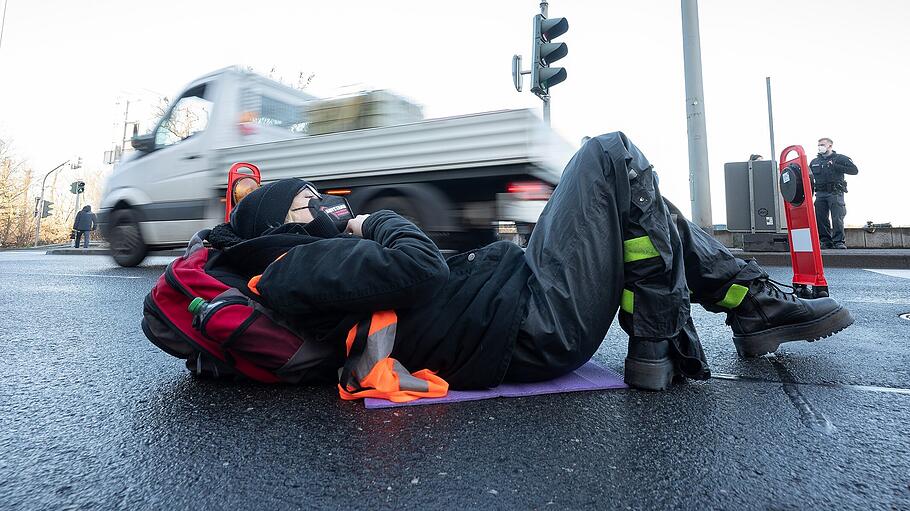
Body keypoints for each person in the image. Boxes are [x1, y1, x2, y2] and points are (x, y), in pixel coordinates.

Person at [204, 133, 854, 392]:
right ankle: (660, 339)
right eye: (307, 202)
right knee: (610, 154)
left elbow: (418, 278)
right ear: (274, 226)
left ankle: (751, 306)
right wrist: (373, 218)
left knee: (643, 204)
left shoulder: (308, 261)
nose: (327, 205)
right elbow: (423, 269)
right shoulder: (291, 269)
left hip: (523, 303)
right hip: (533, 319)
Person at [810, 138, 858, 249]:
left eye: (822, 144)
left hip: (835, 192)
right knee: (820, 218)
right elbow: (809, 177)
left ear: (830, 145)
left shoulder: (840, 158)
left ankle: (839, 242)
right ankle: (826, 241)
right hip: (820, 193)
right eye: (818, 145)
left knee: (837, 217)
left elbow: (854, 170)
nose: (820, 147)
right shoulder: (814, 162)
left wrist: (835, 166)